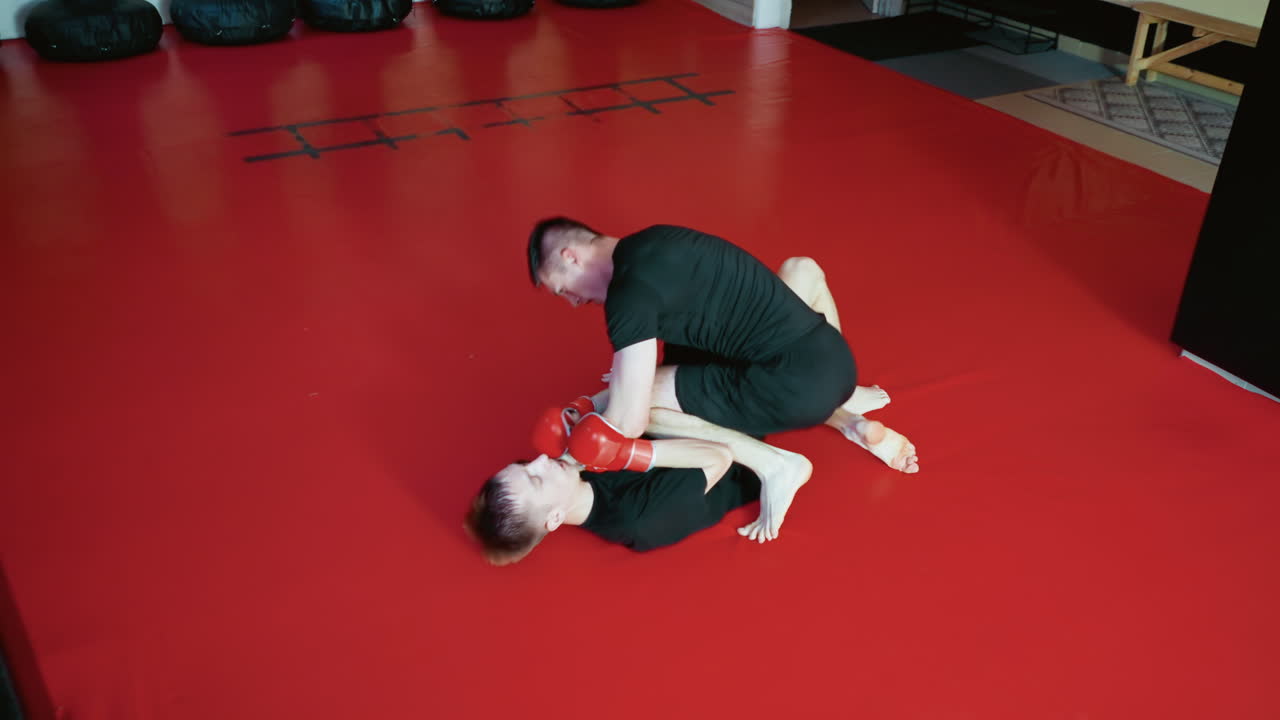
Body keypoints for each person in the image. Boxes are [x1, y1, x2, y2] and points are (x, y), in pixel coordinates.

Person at [525, 218, 918, 539]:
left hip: (794, 390)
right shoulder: (658, 238)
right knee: (801, 269)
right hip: (835, 359)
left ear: (571, 256)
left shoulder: (628, 298)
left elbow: (630, 418)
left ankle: (777, 467)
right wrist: (593, 399)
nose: (574, 302)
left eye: (563, 291)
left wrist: (572, 458)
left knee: (645, 403)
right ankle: (848, 410)